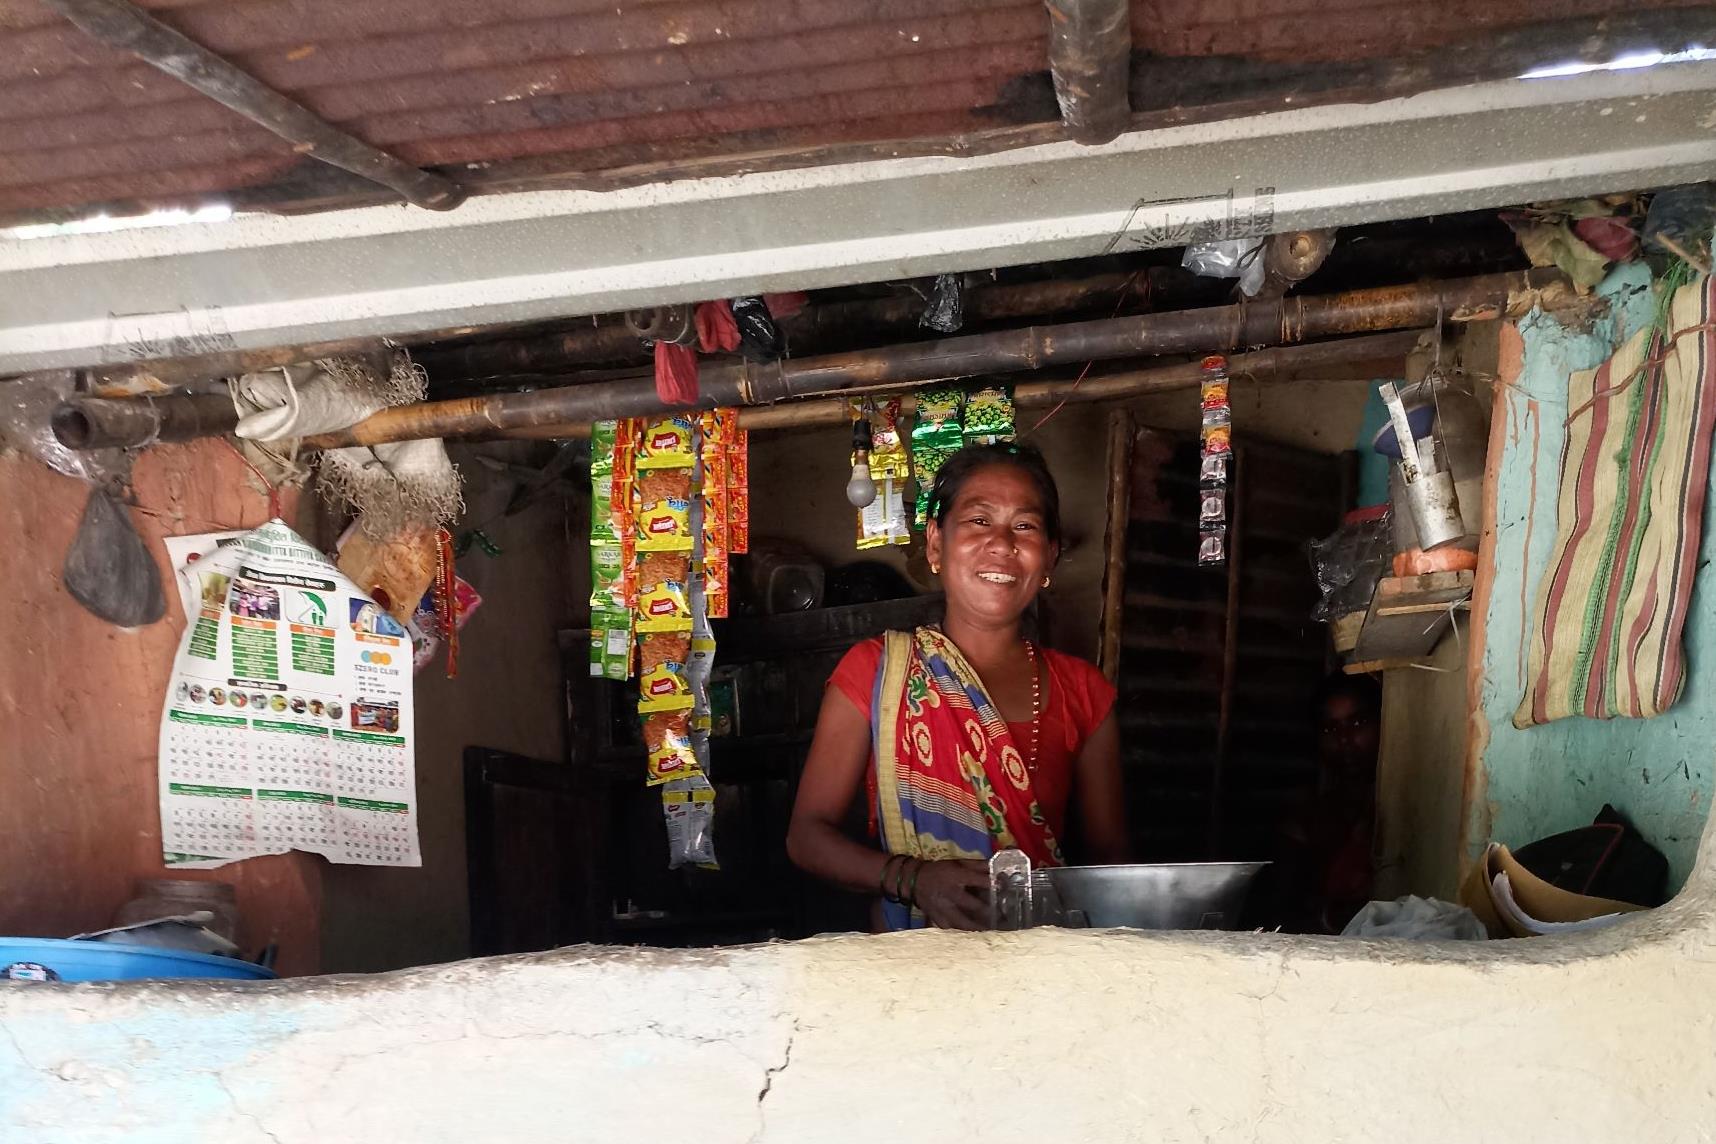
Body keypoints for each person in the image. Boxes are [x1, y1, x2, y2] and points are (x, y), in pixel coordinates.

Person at [786, 442, 1128, 931]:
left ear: (1049, 557)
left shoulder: (1084, 691)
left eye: (1025, 526)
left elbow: (1111, 865)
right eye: (978, 520)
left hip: (1042, 961)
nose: (1002, 543)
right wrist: (914, 879)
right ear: (934, 544)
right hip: (911, 964)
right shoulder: (875, 671)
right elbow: (806, 837)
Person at [1275, 673, 1382, 933]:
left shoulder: (1407, 806)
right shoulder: (1309, 818)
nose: (1344, 739)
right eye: (1329, 729)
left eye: (1358, 723)